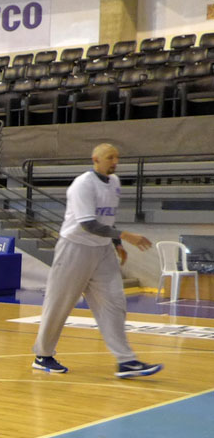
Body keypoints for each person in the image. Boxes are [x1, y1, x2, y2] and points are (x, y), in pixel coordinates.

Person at [31, 143, 161, 378]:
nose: (115, 162)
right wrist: (126, 236)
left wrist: (117, 244)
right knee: (59, 303)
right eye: (110, 157)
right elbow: (88, 224)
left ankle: (126, 361)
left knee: (115, 303)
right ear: (95, 159)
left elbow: (106, 221)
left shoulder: (115, 183)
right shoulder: (82, 184)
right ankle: (43, 355)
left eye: (117, 157)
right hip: (74, 248)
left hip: (102, 251)